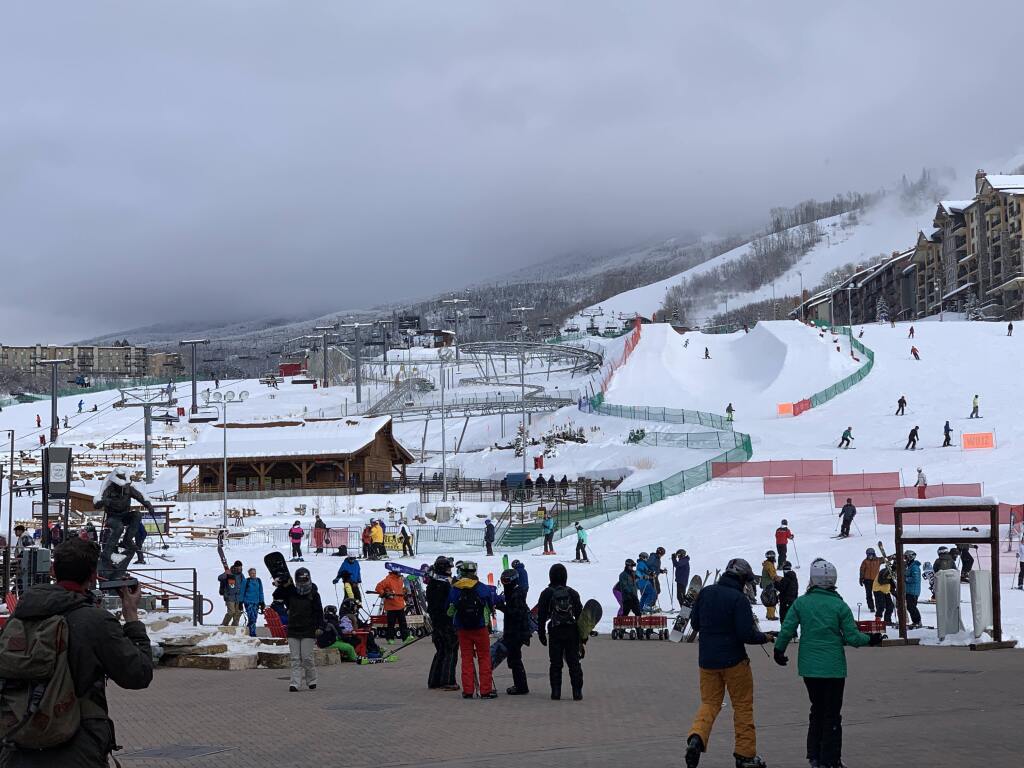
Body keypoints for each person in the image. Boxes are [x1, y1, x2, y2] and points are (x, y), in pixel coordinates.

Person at [0, 538, 153, 767]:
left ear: (53, 570)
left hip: (16, 743)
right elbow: (138, 674)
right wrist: (131, 616)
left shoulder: (21, 616)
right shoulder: (94, 621)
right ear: (92, 577)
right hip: (75, 744)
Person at [773, 558, 881, 768]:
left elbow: (787, 628)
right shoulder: (839, 605)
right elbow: (852, 637)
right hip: (833, 668)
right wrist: (872, 639)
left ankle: (814, 755)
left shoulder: (801, 603)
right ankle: (830, 760)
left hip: (809, 667)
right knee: (832, 713)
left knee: (817, 709)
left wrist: (779, 650)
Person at [684, 558, 771, 768]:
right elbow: (745, 634)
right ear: (741, 578)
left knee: (709, 703)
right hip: (734, 662)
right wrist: (765, 637)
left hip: (707, 661)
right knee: (742, 706)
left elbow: (694, 623)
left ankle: (696, 738)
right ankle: (745, 756)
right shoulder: (738, 598)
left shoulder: (705, 592)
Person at [447, 561, 497, 698]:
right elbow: (491, 603)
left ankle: (468, 690)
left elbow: (449, 608)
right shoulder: (482, 588)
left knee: (467, 659)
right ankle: (485, 690)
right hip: (480, 627)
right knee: (484, 658)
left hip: (463, 629)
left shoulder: (456, 589)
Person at [93, 468, 154, 577]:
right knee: (119, 527)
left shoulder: (128, 489)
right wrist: (103, 501)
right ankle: (108, 553)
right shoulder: (109, 489)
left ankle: (127, 539)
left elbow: (140, 497)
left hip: (124, 515)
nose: (122, 487)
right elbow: (96, 503)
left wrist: (148, 506)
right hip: (112, 517)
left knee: (137, 515)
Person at [536, 563, 584, 701]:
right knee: (574, 662)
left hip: (555, 631)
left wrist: (541, 633)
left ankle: (556, 692)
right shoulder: (573, 593)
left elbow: (541, 616)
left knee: (556, 663)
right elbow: (580, 615)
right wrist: (582, 636)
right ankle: (577, 692)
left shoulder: (546, 593)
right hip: (571, 631)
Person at [273, 567, 323, 692]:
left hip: (308, 629)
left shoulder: (314, 594)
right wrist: (283, 584)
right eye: (300, 581)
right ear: (296, 580)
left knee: (307, 657)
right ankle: (295, 683)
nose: (302, 583)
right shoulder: (291, 592)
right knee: (295, 658)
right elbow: (277, 596)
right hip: (293, 629)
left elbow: (319, 612)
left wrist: (319, 627)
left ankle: (312, 680)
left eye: (305, 580)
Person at [496, 568, 532, 695]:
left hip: (516, 632)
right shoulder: (513, 593)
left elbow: (516, 614)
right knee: (514, 659)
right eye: (502, 581)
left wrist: (503, 608)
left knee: (514, 659)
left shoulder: (516, 595)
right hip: (514, 632)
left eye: (506, 581)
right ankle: (520, 685)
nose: (504, 583)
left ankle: (521, 686)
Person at [426, 556, 459, 690]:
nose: (449, 570)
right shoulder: (444, 585)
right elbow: (448, 604)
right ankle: (448, 680)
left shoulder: (433, 583)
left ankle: (434, 680)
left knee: (441, 651)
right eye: (447, 568)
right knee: (450, 650)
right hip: (446, 623)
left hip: (437, 622)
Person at [374, 569, 410, 644]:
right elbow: (378, 587)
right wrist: (384, 594)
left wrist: (404, 591)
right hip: (391, 606)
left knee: (403, 622)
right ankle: (390, 639)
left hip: (400, 604)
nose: (400, 574)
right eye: (399, 572)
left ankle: (405, 638)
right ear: (395, 572)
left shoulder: (400, 580)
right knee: (391, 623)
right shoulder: (388, 580)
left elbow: (398, 590)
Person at [238, 566, 265, 637]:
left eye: (254, 573)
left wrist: (262, 602)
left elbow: (261, 592)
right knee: (252, 618)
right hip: (248, 602)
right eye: (252, 573)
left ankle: (248, 629)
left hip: (256, 602)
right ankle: (253, 633)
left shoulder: (258, 580)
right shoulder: (246, 581)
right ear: (249, 574)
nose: (253, 574)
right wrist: (240, 602)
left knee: (254, 618)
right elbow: (242, 592)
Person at [218, 560, 245, 627]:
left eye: (240, 567)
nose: (239, 568)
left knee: (238, 612)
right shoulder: (229, 573)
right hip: (229, 596)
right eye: (238, 567)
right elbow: (220, 578)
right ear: (235, 567)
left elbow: (244, 584)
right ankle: (224, 625)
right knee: (231, 612)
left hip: (238, 597)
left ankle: (234, 626)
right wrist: (226, 573)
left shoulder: (241, 575)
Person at [904, 550, 922, 629]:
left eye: (906, 557)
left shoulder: (914, 567)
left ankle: (917, 621)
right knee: (909, 606)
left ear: (909, 557)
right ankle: (915, 621)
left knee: (911, 606)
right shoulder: (910, 566)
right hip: (909, 590)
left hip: (913, 591)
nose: (905, 559)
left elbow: (915, 579)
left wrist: (905, 579)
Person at [872, 560, 894, 626]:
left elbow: (892, 584)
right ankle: (877, 620)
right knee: (881, 606)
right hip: (878, 590)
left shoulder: (892, 573)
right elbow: (881, 581)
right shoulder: (884, 571)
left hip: (886, 591)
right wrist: (890, 581)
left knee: (890, 606)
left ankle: (887, 620)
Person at [777, 561, 798, 626]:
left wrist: (776, 583)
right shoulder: (793, 577)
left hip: (785, 601)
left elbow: (782, 587)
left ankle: (786, 632)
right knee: (791, 617)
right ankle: (793, 633)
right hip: (793, 600)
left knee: (784, 617)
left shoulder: (787, 578)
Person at [760, 551, 778, 621]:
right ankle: (771, 616)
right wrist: (780, 579)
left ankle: (769, 615)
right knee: (771, 599)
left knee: (769, 598)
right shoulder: (769, 565)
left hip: (766, 584)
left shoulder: (767, 564)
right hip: (769, 584)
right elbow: (772, 575)